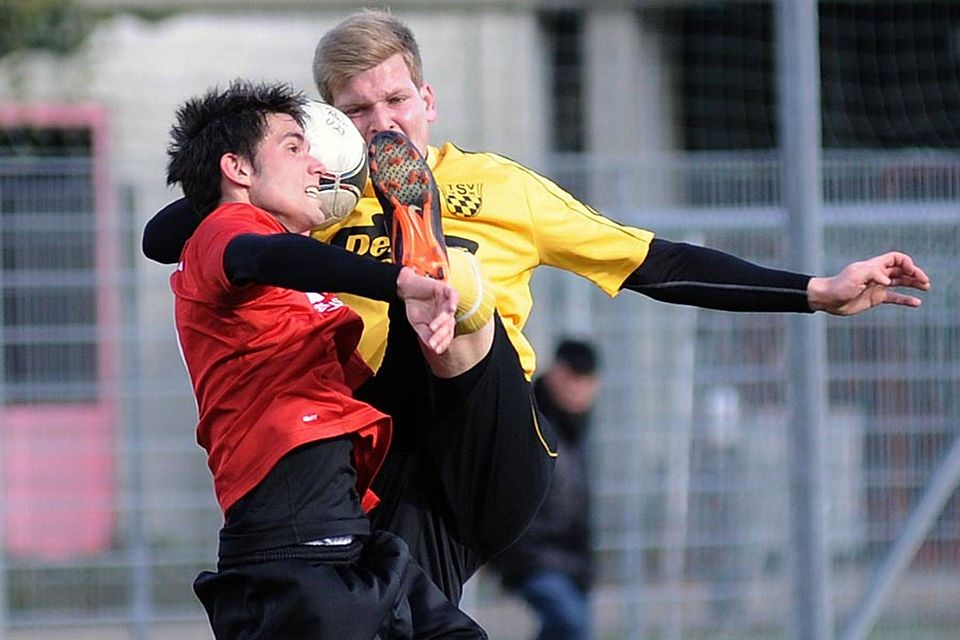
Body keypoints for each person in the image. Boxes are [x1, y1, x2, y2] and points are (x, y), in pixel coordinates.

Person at [142, 9, 931, 604]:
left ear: (428, 98)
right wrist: (273, 178)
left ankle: (437, 270)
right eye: (356, 111)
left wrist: (813, 290)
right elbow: (165, 236)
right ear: (327, 125)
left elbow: (652, 262)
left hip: (490, 431)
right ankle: (427, 281)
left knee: (454, 301)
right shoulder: (311, 203)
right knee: (392, 614)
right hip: (391, 457)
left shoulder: (500, 187)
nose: (383, 123)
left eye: (396, 100)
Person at [163, 78, 487, 638]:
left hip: (345, 533)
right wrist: (397, 282)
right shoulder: (225, 230)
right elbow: (264, 255)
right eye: (294, 148)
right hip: (292, 540)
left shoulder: (294, 284)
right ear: (237, 169)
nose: (317, 165)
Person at [491, 338, 602, 640]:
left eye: (585, 380)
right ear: (555, 373)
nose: (578, 388)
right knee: (571, 625)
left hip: (570, 558)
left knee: (570, 629)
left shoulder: (577, 427)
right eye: (572, 377)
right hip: (528, 553)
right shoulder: (529, 416)